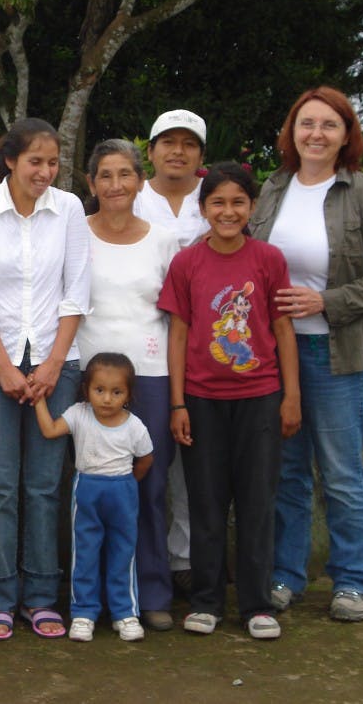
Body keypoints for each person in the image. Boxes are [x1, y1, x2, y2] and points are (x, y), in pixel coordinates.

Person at [250, 87, 363, 622]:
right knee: (286, 474)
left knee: (341, 473)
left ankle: (354, 582)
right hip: (275, 353)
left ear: (346, 135)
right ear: (292, 132)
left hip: (338, 353)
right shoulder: (273, 189)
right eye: (306, 124)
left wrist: (326, 300)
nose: (316, 134)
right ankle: (285, 577)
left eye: (329, 125)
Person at [0, 117, 91, 640]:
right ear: (10, 160)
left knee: (43, 487)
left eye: (53, 162)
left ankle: (40, 597)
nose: (45, 171)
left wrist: (54, 364)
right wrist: (7, 367)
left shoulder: (71, 209)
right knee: (0, 486)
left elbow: (76, 291)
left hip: (59, 363)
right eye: (35, 161)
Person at [159, 161, 301, 640]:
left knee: (258, 501)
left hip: (261, 397)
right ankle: (206, 601)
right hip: (201, 401)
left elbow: (283, 330)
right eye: (217, 202)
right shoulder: (187, 264)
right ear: (203, 210)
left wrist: (290, 396)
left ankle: (258, 605)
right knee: (205, 502)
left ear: (252, 207)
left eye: (238, 202)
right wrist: (177, 404)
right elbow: (178, 333)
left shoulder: (268, 260)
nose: (227, 211)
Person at [76, 139, 180, 632]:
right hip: (89, 380)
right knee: (89, 490)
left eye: (125, 174)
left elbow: (177, 318)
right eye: (105, 175)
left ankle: (153, 592)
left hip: (150, 378)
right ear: (91, 183)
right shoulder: (76, 235)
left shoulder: (164, 240)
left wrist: (177, 395)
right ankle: (87, 599)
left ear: (140, 180)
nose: (115, 185)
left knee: (149, 486)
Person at [133, 109, 210, 596]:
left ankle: (186, 559)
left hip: (208, 343)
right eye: (167, 142)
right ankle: (147, 564)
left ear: (201, 154)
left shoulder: (215, 197)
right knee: (150, 459)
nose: (177, 151)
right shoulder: (133, 196)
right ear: (152, 150)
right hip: (144, 344)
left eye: (188, 143)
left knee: (192, 456)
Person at [35, 353, 154, 643]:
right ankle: (83, 613)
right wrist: (38, 400)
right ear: (87, 389)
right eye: (99, 390)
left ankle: (125, 613)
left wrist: (127, 484)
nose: (107, 399)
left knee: (122, 553)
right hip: (87, 490)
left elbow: (146, 459)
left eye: (117, 392)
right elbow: (50, 430)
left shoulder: (135, 426)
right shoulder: (78, 414)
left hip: (123, 491)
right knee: (85, 554)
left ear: (128, 394)